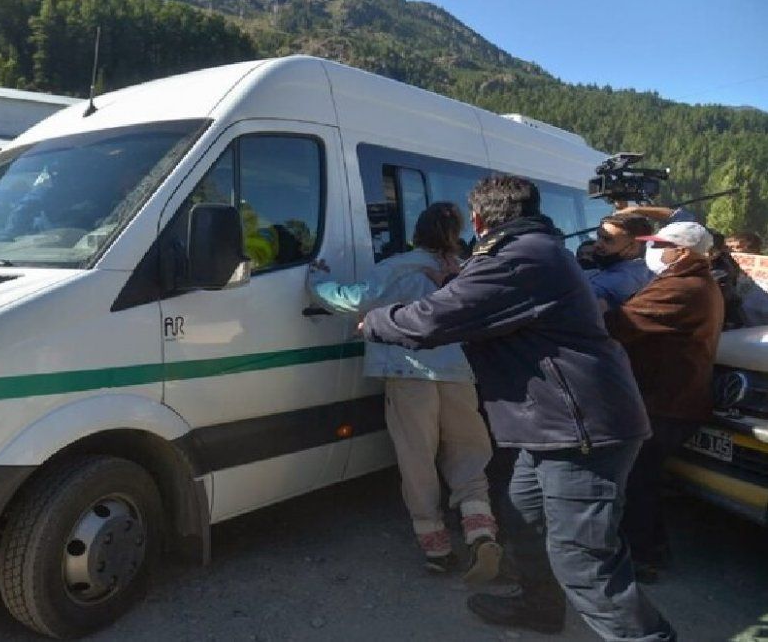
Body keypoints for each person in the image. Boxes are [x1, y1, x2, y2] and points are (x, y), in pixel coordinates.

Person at [363, 176, 674, 639]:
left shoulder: (522, 256)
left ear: (479, 219)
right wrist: (454, 279)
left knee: (585, 562)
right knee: (523, 512)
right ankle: (538, 608)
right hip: (552, 423)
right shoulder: (532, 252)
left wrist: (376, 320)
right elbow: (480, 298)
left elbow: (435, 319)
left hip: (580, 428)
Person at [308, 202, 501, 582]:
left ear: (417, 232)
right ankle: (481, 534)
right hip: (459, 373)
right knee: (469, 456)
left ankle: (438, 549)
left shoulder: (397, 266)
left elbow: (348, 298)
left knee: (418, 462)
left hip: (409, 373)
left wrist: (316, 279)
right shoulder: (463, 271)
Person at [604, 222, 723, 583]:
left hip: (666, 401)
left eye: (661, 244)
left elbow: (620, 324)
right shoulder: (695, 281)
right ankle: (651, 551)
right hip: (671, 399)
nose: (653, 251)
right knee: (646, 480)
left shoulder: (683, 286)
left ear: (683, 251)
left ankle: (640, 559)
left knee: (638, 481)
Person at [588, 214, 655, 311]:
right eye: (598, 237)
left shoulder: (620, 280)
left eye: (608, 240)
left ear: (633, 247)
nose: (597, 245)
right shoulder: (648, 272)